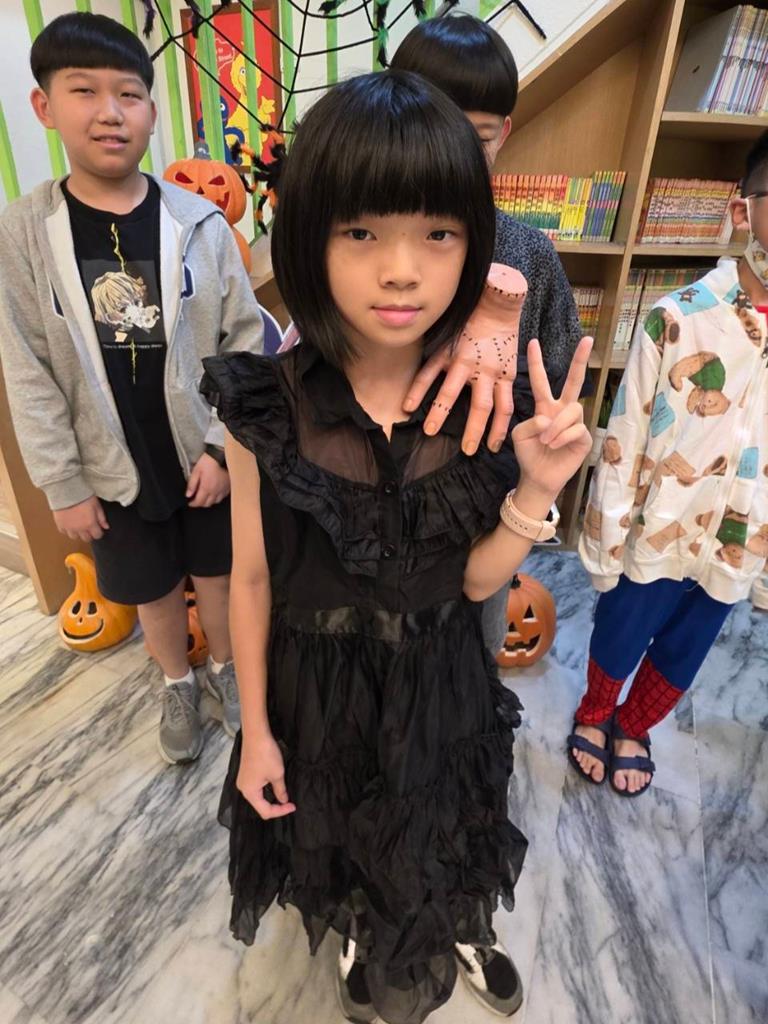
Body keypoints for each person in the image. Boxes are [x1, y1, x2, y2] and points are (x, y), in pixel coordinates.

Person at [201, 70, 591, 1024]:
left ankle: (452, 924)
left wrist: (537, 491)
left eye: (438, 234)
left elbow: (475, 582)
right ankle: (363, 934)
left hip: (440, 683)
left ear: (473, 244)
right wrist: (256, 731)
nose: (402, 270)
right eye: (362, 233)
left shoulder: (480, 407)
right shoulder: (267, 403)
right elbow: (249, 577)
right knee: (342, 844)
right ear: (311, 236)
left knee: (441, 835)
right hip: (315, 695)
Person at [0, 13, 263, 764]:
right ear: (45, 107)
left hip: (201, 451)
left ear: (150, 110)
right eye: (83, 91)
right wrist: (62, 482)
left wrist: (222, 445)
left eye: (128, 94)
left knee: (216, 575)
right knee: (152, 589)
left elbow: (244, 341)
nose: (109, 112)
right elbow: (27, 368)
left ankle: (225, 671)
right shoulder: (23, 234)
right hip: (110, 462)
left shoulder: (199, 221)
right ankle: (177, 683)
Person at [573, 129, 768, 797]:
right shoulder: (677, 319)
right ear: (743, 211)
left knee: (691, 642)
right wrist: (607, 535)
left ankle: (635, 725)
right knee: (624, 626)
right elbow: (625, 434)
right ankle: (595, 711)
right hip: (661, 522)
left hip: (743, 531)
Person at [390, 13, 583, 655]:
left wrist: (540, 468)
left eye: (476, 137)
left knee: (475, 652)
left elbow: (557, 383)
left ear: (505, 132)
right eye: (434, 130)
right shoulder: (370, 246)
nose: (453, 157)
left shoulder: (529, 255)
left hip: (486, 517)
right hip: (381, 508)